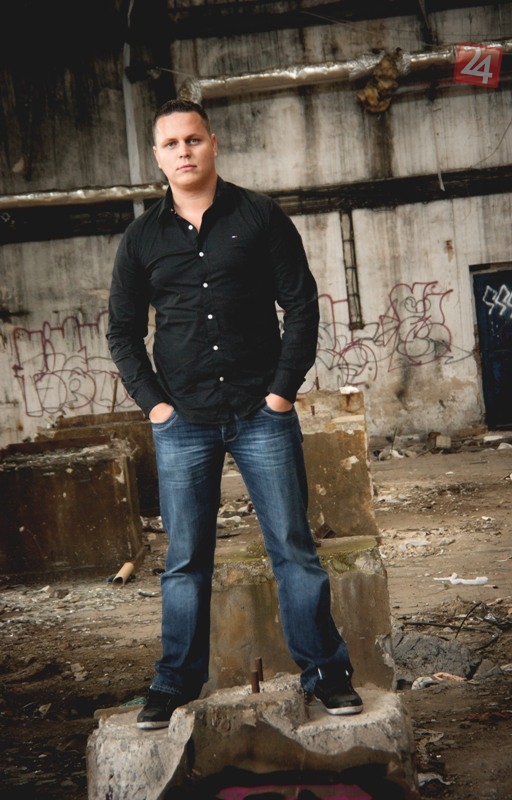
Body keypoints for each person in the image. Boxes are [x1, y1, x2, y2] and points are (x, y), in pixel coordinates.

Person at [107, 98, 363, 730]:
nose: (184, 151)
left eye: (193, 139)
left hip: (260, 412)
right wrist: (156, 407)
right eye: (171, 143)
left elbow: (301, 304)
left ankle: (326, 673)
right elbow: (122, 332)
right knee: (184, 561)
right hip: (183, 421)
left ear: (213, 143)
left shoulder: (259, 216)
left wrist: (281, 393)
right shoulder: (141, 239)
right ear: (158, 157)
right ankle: (174, 681)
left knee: (293, 549)